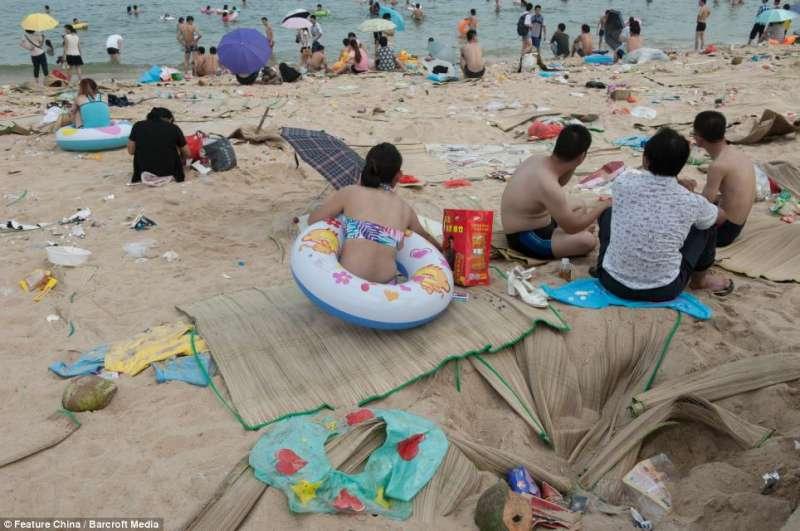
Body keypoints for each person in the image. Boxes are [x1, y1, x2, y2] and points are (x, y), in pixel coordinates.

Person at [594, 128, 734, 301]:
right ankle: (700, 281)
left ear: (645, 159)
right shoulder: (690, 201)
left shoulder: (623, 181)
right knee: (707, 224)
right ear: (681, 165)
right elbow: (721, 217)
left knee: (608, 212)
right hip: (664, 289)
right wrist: (695, 198)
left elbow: (647, 183)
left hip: (611, 280)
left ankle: (613, 261)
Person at [308, 143, 441, 283]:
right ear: (398, 176)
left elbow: (313, 220)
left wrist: (342, 215)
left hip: (348, 284)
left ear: (367, 168)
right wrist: (442, 249)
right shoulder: (405, 209)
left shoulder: (350, 193)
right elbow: (425, 237)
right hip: (387, 287)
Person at [501, 124, 605, 260]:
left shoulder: (536, 159)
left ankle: (562, 236)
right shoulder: (548, 185)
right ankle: (564, 237)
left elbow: (561, 181)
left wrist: (575, 163)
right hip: (525, 237)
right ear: (582, 156)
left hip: (538, 220)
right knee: (587, 241)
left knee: (579, 205)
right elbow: (571, 228)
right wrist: (602, 207)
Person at [682, 111, 755, 247]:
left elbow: (704, 204)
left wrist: (686, 192)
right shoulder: (737, 153)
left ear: (699, 138)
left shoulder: (718, 166)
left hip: (725, 232)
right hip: (739, 222)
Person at [128, 107, 190, 184]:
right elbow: (187, 153)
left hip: (143, 171)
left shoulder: (137, 126)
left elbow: (131, 151)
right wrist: (181, 159)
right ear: (169, 119)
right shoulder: (173, 128)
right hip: (168, 171)